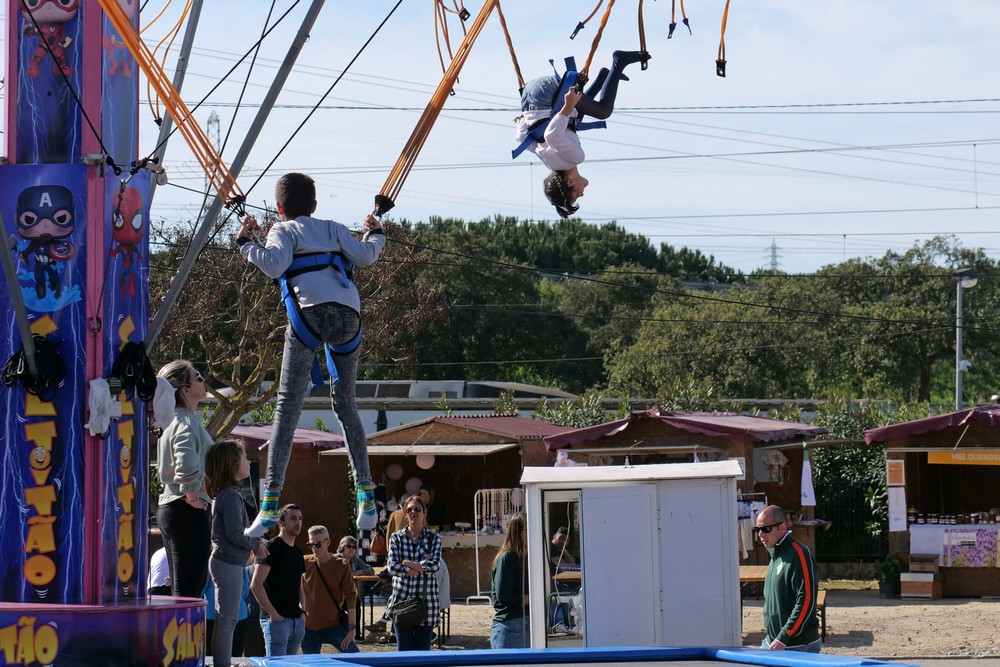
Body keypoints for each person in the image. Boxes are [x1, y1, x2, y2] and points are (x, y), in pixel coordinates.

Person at [236, 172, 387, 537]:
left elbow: (273, 265)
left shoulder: (282, 231)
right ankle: (366, 496)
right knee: (346, 405)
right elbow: (366, 257)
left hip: (310, 319)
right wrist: (376, 233)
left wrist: (245, 242)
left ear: (279, 208)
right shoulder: (334, 227)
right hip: (350, 319)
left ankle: (270, 503)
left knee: (287, 406)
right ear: (315, 206)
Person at [514, 50, 651, 218]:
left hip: (548, 95)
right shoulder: (550, 162)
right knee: (575, 120)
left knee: (603, 111)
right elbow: (522, 137)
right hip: (530, 98)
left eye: (577, 194)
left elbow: (552, 136)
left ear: (570, 182)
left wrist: (567, 105)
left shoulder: (575, 158)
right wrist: (525, 116)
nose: (583, 194)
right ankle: (604, 78)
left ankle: (619, 62)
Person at [205, 438, 269, 667]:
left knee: (226, 618)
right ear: (232, 465)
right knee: (228, 619)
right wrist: (256, 545)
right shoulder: (230, 496)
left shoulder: (227, 494)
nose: (248, 461)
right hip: (227, 564)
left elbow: (236, 532)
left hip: (229, 563)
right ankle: (222, 663)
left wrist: (253, 540)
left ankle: (221, 661)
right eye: (243, 458)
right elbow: (235, 533)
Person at [155, 360, 212, 598]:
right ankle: (183, 635)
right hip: (185, 507)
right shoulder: (184, 420)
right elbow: (186, 459)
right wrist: (192, 494)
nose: (203, 379)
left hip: (173, 507)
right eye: (197, 376)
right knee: (189, 590)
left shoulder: (171, 420)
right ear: (185, 390)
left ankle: (179, 633)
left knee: (183, 587)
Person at [755, 505, 821, 653]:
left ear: (782, 527)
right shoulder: (775, 554)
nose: (760, 534)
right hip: (773, 642)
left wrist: (784, 636)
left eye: (766, 529)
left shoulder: (799, 554)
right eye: (757, 529)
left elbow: (807, 600)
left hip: (797, 645)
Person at [386, 495, 442, 651]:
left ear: (424, 513)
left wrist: (409, 564)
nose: (413, 513)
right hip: (402, 602)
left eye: (417, 509)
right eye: (409, 509)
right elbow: (392, 567)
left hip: (426, 603)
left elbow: (435, 565)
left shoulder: (433, 538)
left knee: (423, 654)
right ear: (405, 513)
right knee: (404, 654)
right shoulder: (396, 538)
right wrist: (419, 567)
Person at [251, 504, 306, 656]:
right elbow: (256, 585)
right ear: (281, 523)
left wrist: (303, 613)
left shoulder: (297, 551)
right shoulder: (272, 546)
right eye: (293, 518)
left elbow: (300, 586)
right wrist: (273, 614)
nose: (298, 522)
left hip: (296, 620)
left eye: (300, 518)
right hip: (277, 621)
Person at [301, 526, 360, 654]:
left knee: (355, 656)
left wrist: (351, 629)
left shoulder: (341, 564)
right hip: (308, 628)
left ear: (328, 542)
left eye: (317, 544)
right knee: (311, 664)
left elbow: (351, 597)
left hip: (333, 626)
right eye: (310, 544)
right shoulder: (304, 562)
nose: (314, 548)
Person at [490, 512, 529, 649]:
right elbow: (504, 598)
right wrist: (533, 599)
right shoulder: (507, 558)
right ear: (518, 532)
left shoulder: (529, 558)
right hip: (509, 627)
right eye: (528, 529)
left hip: (526, 627)